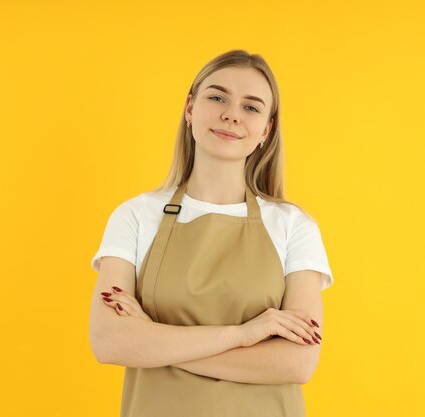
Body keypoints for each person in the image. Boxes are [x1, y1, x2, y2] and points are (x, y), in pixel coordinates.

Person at [89, 49, 333, 417]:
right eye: (217, 97)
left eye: (251, 107)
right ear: (190, 109)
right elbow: (110, 342)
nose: (231, 114)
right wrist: (243, 335)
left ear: (266, 129)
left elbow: (296, 364)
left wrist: (156, 342)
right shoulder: (135, 216)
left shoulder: (294, 225)